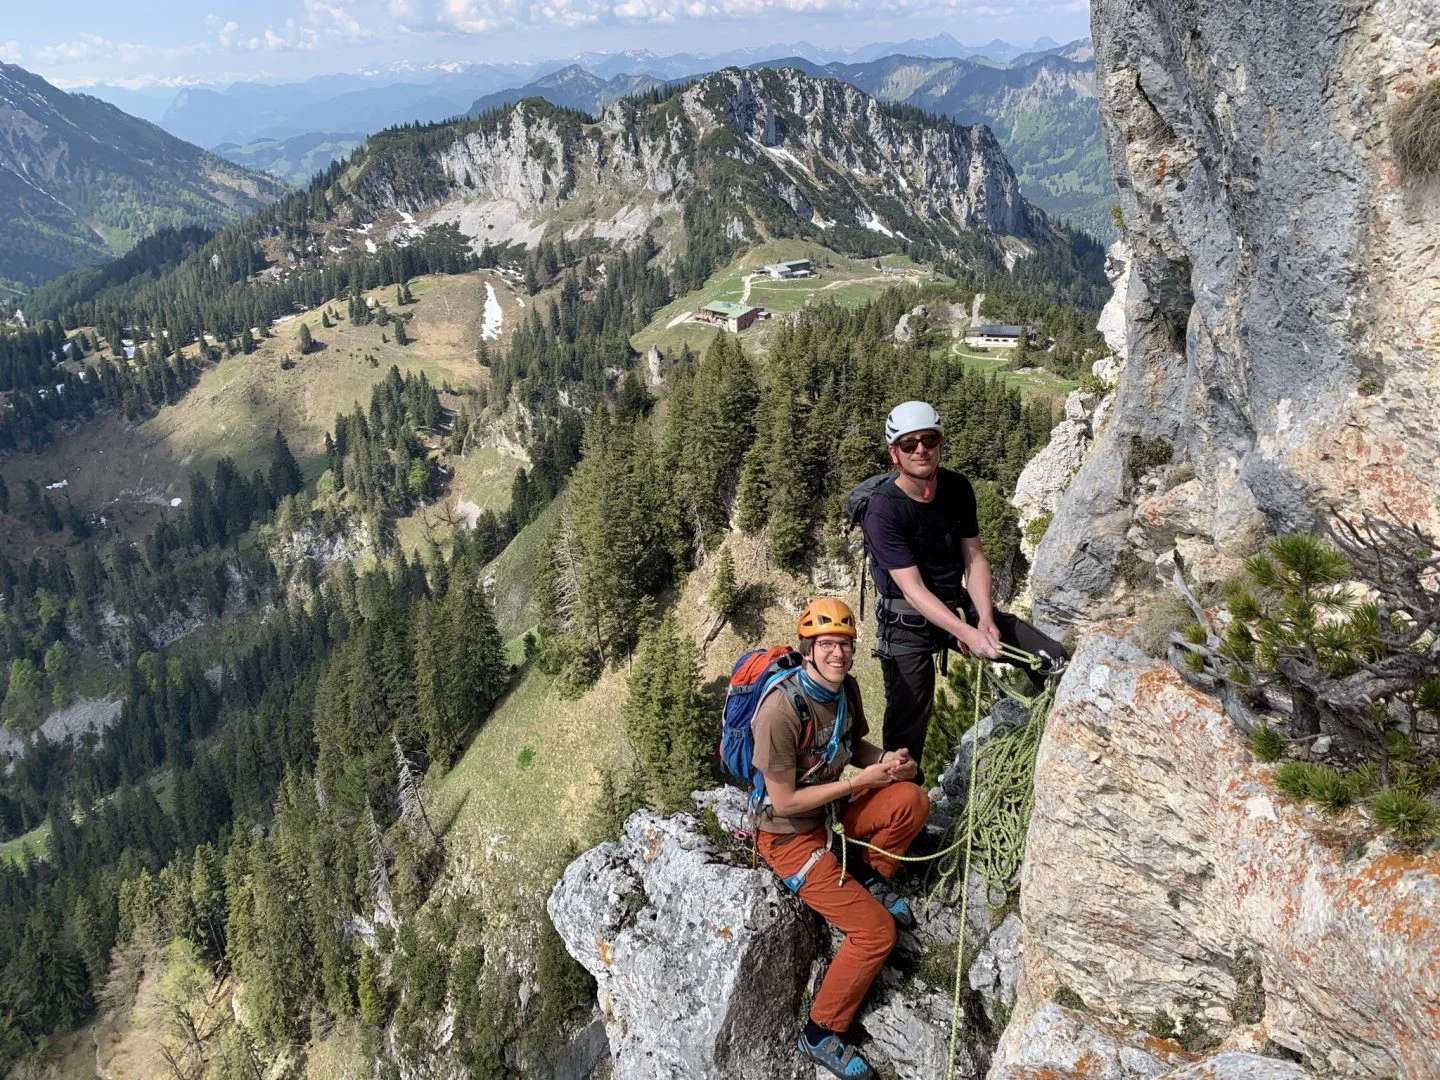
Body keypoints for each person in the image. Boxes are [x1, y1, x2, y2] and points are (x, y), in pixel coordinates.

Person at [752, 597, 930, 1080]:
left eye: (845, 644)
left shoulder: (845, 690)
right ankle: (819, 1032)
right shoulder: (780, 711)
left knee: (911, 799)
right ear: (807, 649)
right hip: (788, 839)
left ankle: (869, 875)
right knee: (876, 933)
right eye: (828, 644)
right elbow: (784, 801)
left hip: (828, 819)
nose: (839, 653)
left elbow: (852, 748)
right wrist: (858, 785)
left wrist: (887, 762)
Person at [862, 400, 1067, 781]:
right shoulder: (883, 510)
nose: (920, 449)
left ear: (941, 443)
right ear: (894, 453)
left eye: (929, 440)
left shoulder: (956, 488)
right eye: (909, 444)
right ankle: (903, 808)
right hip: (906, 622)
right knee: (905, 741)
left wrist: (985, 619)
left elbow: (974, 557)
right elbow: (913, 590)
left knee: (1051, 659)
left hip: (956, 606)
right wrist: (967, 633)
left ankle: (1055, 748)